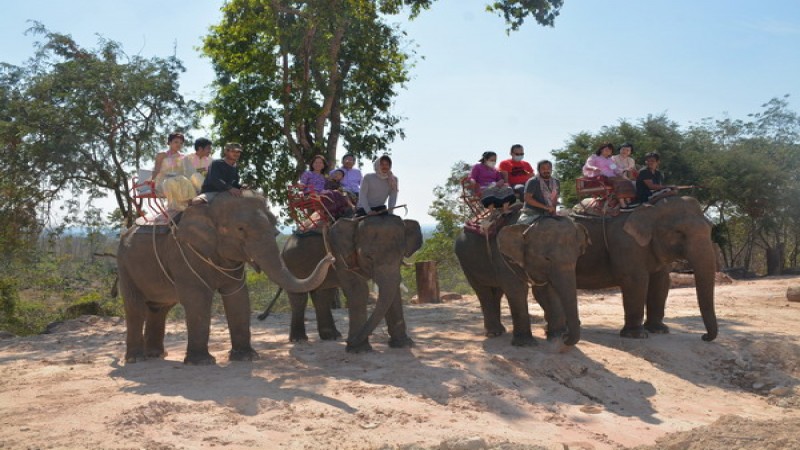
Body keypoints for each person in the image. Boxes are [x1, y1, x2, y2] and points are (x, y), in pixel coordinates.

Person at [519, 160, 560, 224]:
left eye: (548, 168)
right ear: (538, 170)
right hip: (532, 212)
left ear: (551, 169)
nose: (546, 170)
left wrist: (553, 211)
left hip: (549, 212)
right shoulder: (533, 181)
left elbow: (555, 198)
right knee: (520, 228)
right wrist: (546, 207)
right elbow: (527, 199)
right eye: (543, 168)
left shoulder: (556, 182)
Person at [151, 132, 187, 196]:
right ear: (169, 142)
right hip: (163, 182)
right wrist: (150, 181)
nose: (179, 144)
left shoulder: (183, 157)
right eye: (176, 142)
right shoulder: (162, 155)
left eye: (181, 143)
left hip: (179, 181)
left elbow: (185, 172)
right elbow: (156, 170)